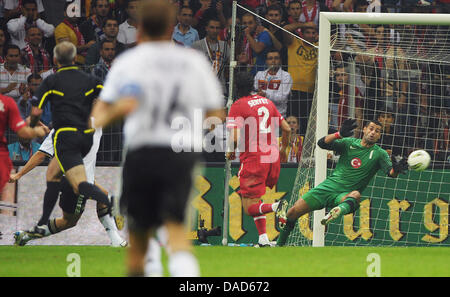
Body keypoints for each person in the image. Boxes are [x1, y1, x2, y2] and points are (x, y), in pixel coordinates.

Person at [90, 0, 225, 276]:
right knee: (176, 229)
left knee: (139, 240)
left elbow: (98, 116)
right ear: (172, 29)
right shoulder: (193, 62)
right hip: (181, 153)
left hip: (143, 151)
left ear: (138, 29)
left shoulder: (128, 63)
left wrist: (121, 109)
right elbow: (216, 114)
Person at [15, 41, 113, 242]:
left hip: (77, 175)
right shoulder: (93, 111)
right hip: (74, 182)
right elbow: (41, 154)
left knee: (69, 220)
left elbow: (41, 147)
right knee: (73, 218)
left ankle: (25, 235)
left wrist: (19, 174)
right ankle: (113, 218)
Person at [276, 118, 409, 246]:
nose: (373, 132)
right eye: (371, 129)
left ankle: (337, 211)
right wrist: (338, 134)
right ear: (364, 129)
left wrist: (396, 169)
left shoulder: (380, 154)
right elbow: (322, 143)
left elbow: (391, 173)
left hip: (344, 195)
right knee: (292, 213)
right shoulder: (349, 143)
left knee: (356, 194)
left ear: (379, 136)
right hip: (326, 188)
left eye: (377, 131)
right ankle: (279, 246)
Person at [11, 126, 128, 247]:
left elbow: (41, 154)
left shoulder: (59, 129)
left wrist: (18, 175)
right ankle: (26, 235)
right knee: (68, 221)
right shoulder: (95, 122)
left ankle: (116, 238)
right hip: (74, 183)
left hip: (78, 179)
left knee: (101, 196)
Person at [225, 71, 291, 247]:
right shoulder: (267, 102)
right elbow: (287, 128)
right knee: (255, 201)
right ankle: (263, 239)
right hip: (273, 157)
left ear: (235, 87)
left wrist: (230, 151)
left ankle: (277, 208)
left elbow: (234, 137)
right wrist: (284, 149)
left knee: (248, 208)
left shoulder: (238, 106)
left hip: (254, 159)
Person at [0, 91, 48, 193]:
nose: (26, 137)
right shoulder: (9, 149)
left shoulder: (39, 148)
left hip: (36, 186)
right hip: (13, 186)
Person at [282, 23, 317, 135]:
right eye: (307, 32)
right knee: (291, 123)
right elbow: (286, 28)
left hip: (310, 93)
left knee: (306, 125)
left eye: (313, 33)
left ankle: (301, 150)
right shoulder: (294, 43)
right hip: (293, 91)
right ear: (302, 33)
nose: (310, 35)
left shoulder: (319, 46)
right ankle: (288, 148)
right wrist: (304, 24)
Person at [191, 17, 230, 93]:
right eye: (212, 27)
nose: (215, 30)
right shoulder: (197, 45)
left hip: (220, 88)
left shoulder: (224, 45)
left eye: (217, 28)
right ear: (206, 28)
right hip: (201, 89)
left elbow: (231, 64)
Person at [254, 48, 292, 118]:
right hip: (259, 115)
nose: (273, 61)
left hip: (277, 116)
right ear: (266, 61)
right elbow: (253, 92)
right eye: (270, 58)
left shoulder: (286, 76)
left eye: (276, 58)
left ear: (280, 61)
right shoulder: (259, 75)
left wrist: (265, 95)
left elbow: (282, 98)